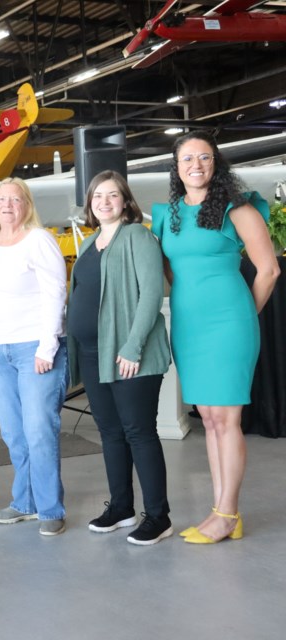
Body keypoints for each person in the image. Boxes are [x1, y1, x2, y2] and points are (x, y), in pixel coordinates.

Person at [152, 131, 280, 544]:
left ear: (215, 163)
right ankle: (224, 510)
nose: (196, 165)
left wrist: (244, 316)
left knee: (226, 420)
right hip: (189, 326)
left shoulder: (236, 208)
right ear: (176, 167)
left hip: (229, 324)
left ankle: (226, 514)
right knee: (208, 419)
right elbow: (170, 271)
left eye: (204, 157)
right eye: (187, 159)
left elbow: (269, 270)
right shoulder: (168, 213)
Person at [67, 171, 173, 545]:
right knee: (110, 432)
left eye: (113, 195)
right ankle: (122, 506)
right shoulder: (89, 243)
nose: (105, 202)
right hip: (94, 355)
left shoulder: (138, 236)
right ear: (90, 204)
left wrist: (132, 346)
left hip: (129, 355)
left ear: (126, 201)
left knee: (138, 432)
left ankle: (158, 516)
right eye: (98, 196)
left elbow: (151, 294)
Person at [0, 177, 69, 536]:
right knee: (14, 433)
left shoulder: (39, 239)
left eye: (15, 199)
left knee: (39, 430)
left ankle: (49, 508)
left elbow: (55, 292)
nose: (7, 204)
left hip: (34, 349)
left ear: (27, 205)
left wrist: (47, 347)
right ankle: (24, 502)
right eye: (1, 199)